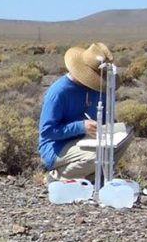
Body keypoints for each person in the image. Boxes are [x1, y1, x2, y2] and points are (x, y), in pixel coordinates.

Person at [38, 42, 133, 182]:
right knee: (96, 157)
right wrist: (81, 127)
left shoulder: (98, 88)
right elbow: (47, 131)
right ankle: (58, 176)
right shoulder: (59, 92)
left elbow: (106, 119)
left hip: (86, 140)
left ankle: (94, 176)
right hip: (57, 147)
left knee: (126, 135)